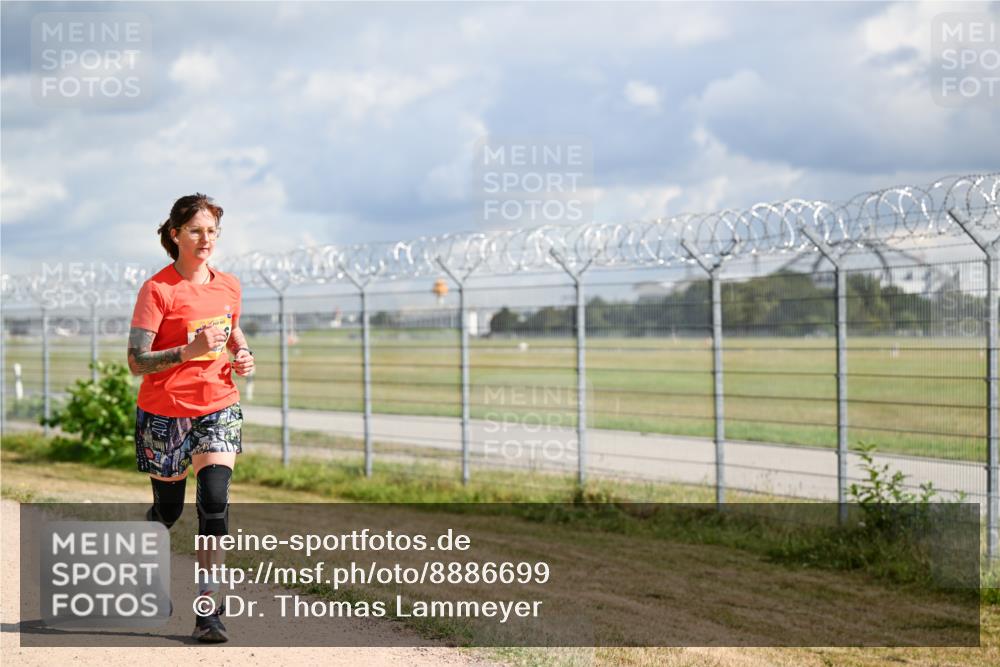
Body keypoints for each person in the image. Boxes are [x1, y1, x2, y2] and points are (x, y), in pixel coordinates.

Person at [127, 193, 254, 643]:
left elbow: (231, 328)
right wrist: (188, 351)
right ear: (176, 234)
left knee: (214, 503)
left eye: (212, 231)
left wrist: (242, 352)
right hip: (165, 412)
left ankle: (208, 610)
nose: (206, 239)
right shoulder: (158, 289)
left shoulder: (229, 285)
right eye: (196, 230)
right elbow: (136, 361)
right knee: (169, 510)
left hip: (219, 404)